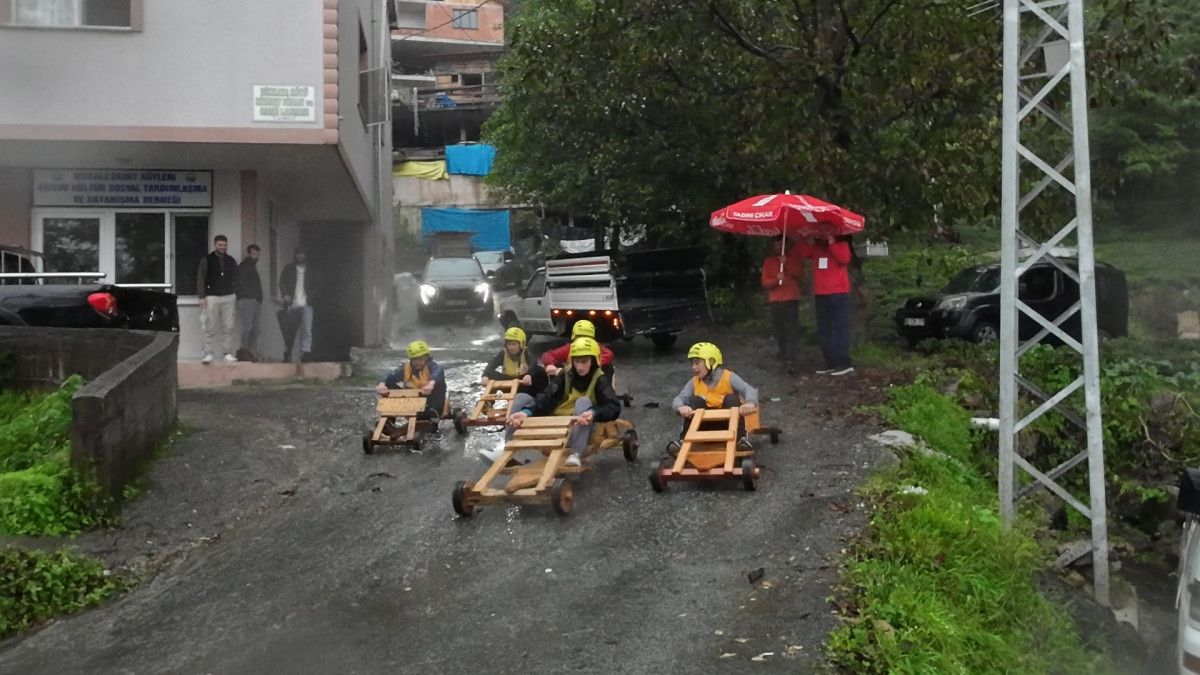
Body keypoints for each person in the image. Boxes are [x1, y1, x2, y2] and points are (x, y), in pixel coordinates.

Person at [507, 337, 622, 467]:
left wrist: (593, 412)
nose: (580, 366)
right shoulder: (566, 374)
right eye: (577, 361)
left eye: (584, 361)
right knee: (522, 397)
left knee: (583, 401)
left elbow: (613, 405)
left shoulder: (600, 378)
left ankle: (575, 454)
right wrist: (527, 412)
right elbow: (548, 395)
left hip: (582, 427)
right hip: (559, 422)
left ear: (594, 360)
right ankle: (510, 447)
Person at [668, 342, 758, 453]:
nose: (693, 367)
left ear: (711, 362)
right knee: (695, 400)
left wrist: (750, 402)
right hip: (702, 426)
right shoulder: (694, 382)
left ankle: (741, 439)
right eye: (692, 363)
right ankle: (683, 440)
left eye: (697, 363)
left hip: (728, 425)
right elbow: (679, 398)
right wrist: (680, 407)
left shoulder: (728, 377)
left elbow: (748, 389)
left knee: (731, 398)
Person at [798, 234, 854, 375]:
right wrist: (804, 236)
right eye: (821, 229)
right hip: (821, 293)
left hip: (839, 292)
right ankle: (829, 361)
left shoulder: (841, 245)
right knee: (824, 328)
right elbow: (803, 252)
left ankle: (843, 361)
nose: (823, 232)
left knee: (840, 326)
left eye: (827, 229)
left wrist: (832, 243)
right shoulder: (816, 248)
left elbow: (845, 259)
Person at [376, 340, 447, 426]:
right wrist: (382, 384)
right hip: (412, 399)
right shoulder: (406, 368)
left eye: (421, 359)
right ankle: (390, 418)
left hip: (430, 400)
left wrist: (430, 384)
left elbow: (438, 373)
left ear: (427, 358)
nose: (418, 362)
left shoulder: (432, 367)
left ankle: (433, 414)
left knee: (439, 385)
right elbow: (392, 375)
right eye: (415, 359)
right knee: (390, 382)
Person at [761, 235, 806, 370]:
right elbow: (765, 282)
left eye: (782, 245)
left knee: (791, 330)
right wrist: (776, 279)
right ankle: (783, 354)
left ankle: (791, 359)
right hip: (776, 300)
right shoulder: (768, 261)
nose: (779, 248)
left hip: (791, 299)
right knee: (779, 330)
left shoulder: (794, 259)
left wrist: (786, 264)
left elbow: (799, 274)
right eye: (777, 245)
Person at [197, 234, 240, 364]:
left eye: (224, 245)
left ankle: (227, 353)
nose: (222, 247)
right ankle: (207, 353)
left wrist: (236, 293)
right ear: (215, 245)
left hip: (229, 296)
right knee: (210, 325)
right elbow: (201, 278)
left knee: (229, 326)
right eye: (220, 245)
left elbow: (237, 278)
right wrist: (201, 296)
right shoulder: (206, 259)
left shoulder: (231, 261)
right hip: (212, 297)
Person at [482, 326, 548, 397]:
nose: (511, 347)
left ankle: (541, 397)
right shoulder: (503, 354)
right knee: (490, 374)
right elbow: (491, 365)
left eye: (514, 344)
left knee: (540, 370)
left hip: (523, 384)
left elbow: (533, 363)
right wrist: (485, 375)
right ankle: (488, 402)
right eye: (509, 344)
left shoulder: (526, 353)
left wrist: (528, 374)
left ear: (522, 344)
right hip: (508, 383)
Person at [539, 319, 614, 377]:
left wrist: (594, 364)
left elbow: (609, 354)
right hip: (572, 382)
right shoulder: (569, 348)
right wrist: (550, 365)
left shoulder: (570, 348)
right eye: (580, 338)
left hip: (594, 385)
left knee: (609, 368)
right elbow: (548, 355)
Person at [279, 249, 314, 363]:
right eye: (298, 254)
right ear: (295, 256)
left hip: (307, 305)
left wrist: (312, 297)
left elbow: (318, 285)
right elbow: (282, 283)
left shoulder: (311, 271)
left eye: (302, 254)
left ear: (306, 255)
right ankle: (287, 352)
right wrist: (285, 295)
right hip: (292, 305)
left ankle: (305, 354)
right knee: (289, 332)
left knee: (307, 331)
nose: (300, 256)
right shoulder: (288, 269)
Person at [236, 244, 263, 362]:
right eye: (253, 253)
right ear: (248, 254)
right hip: (247, 300)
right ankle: (243, 350)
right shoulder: (244, 266)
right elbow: (239, 282)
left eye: (257, 254)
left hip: (254, 301)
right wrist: (250, 296)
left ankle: (250, 352)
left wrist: (258, 298)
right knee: (247, 326)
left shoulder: (252, 266)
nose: (255, 256)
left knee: (255, 329)